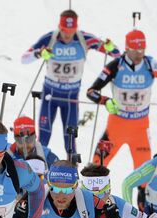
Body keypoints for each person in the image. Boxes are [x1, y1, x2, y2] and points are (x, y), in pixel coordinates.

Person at [87, 30, 157, 169]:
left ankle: (142, 192)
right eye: (135, 50)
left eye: (142, 49)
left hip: (140, 128)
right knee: (97, 166)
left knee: (144, 173)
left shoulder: (151, 65)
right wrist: (105, 101)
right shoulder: (115, 66)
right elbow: (91, 91)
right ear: (127, 49)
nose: (139, 54)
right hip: (116, 126)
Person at [21, 9, 119, 153]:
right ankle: (39, 169)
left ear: (76, 28)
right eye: (65, 30)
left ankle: (73, 171)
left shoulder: (84, 38)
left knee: (70, 138)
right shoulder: (50, 38)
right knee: (44, 136)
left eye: (71, 30)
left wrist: (110, 47)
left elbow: (117, 54)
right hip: (50, 94)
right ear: (59, 27)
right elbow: (24, 58)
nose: (67, 34)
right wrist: (39, 53)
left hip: (71, 97)